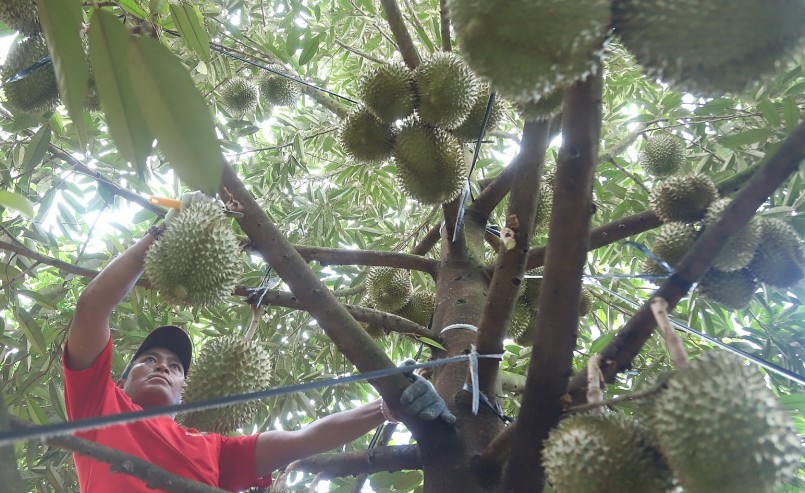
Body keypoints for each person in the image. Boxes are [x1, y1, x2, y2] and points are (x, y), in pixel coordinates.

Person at [63, 194, 455, 492]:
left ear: (186, 394)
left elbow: (304, 439)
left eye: (175, 366)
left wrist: (386, 406)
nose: (163, 366)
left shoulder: (213, 450)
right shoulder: (99, 408)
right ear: (120, 382)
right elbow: (92, 309)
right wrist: (160, 233)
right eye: (148, 359)